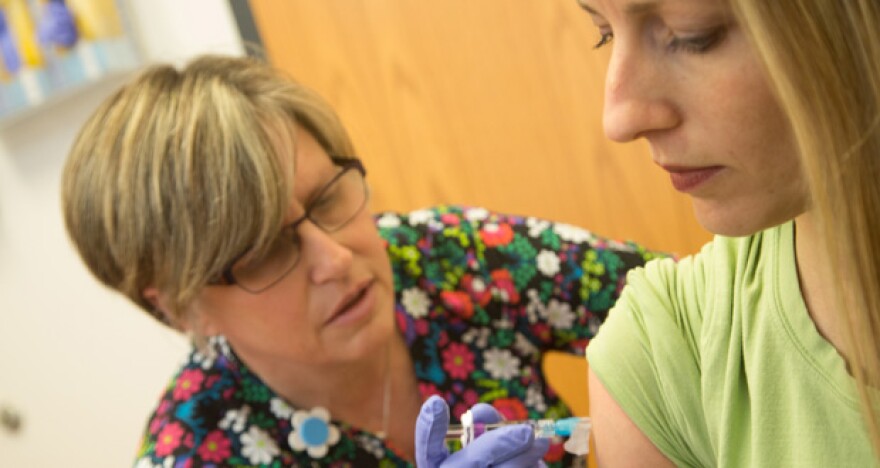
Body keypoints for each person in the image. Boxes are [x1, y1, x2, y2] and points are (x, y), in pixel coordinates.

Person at [61, 54, 661, 466]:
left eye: (328, 199)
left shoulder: (448, 258)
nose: (335, 257)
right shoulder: (194, 451)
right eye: (265, 252)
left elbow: (698, 307)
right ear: (179, 307)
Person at [416, 0, 880, 465]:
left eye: (690, 33)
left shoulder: (460, 252)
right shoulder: (658, 357)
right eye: (604, 33)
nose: (618, 120)